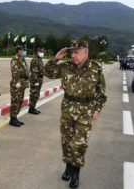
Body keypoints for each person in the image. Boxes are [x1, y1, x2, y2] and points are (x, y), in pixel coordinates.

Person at [44, 40, 107, 188]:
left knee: (79, 144)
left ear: (86, 52)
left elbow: (101, 93)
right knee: (66, 141)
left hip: (85, 112)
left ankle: (76, 173)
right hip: (67, 109)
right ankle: (68, 167)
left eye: (76, 52)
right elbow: (48, 72)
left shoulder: (95, 68)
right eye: (72, 52)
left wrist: (97, 109)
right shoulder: (66, 66)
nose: (73, 55)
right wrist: (56, 58)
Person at [9, 45, 28, 127]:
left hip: (22, 83)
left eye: (24, 50)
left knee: (20, 101)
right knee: (15, 101)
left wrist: (26, 73)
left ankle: (15, 117)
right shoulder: (14, 59)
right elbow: (15, 72)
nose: (23, 51)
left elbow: (27, 70)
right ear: (18, 50)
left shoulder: (23, 59)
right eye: (22, 50)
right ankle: (12, 119)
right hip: (17, 83)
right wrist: (24, 73)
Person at [28, 47, 45, 114]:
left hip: (39, 80)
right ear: (37, 52)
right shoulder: (34, 60)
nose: (42, 53)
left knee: (36, 94)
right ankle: (31, 108)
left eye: (43, 52)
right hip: (35, 81)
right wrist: (36, 82)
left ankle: (33, 107)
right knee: (33, 94)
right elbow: (34, 72)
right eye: (41, 52)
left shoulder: (40, 60)